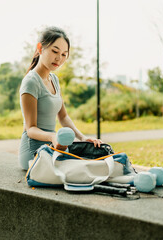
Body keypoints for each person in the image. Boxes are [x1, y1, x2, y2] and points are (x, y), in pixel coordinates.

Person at [18, 26, 103, 170]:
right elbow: (30, 129)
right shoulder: (31, 82)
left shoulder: (54, 80)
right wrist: (52, 137)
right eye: (55, 51)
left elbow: (63, 117)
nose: (59, 58)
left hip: (55, 146)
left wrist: (82, 138)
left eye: (64, 54)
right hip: (33, 152)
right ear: (40, 48)